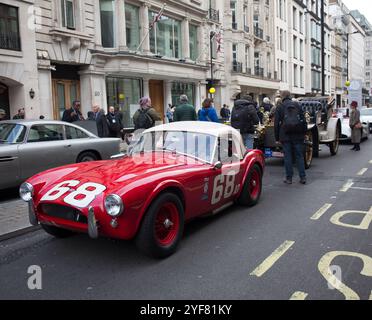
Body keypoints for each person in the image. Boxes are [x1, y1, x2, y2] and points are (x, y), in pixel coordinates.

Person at [274, 90, 307, 185]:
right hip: (298, 134)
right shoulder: (297, 105)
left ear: (282, 97)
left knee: (287, 157)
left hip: (285, 135)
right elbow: (303, 120)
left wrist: (277, 138)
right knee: (299, 156)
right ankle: (303, 177)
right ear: (290, 96)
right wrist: (304, 133)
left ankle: (289, 178)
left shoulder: (280, 107)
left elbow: (276, 124)